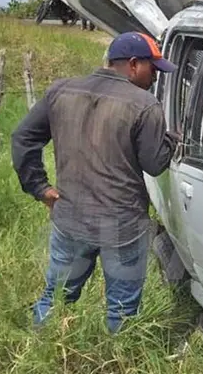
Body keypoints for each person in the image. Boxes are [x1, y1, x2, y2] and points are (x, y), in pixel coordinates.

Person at [11, 33, 178, 333]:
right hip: (122, 225)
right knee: (122, 310)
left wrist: (40, 188)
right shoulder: (144, 104)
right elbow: (154, 164)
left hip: (71, 218)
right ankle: (117, 360)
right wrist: (172, 140)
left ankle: (40, 348)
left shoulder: (61, 90)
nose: (155, 76)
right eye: (152, 68)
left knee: (56, 297)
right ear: (133, 64)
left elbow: (22, 137)